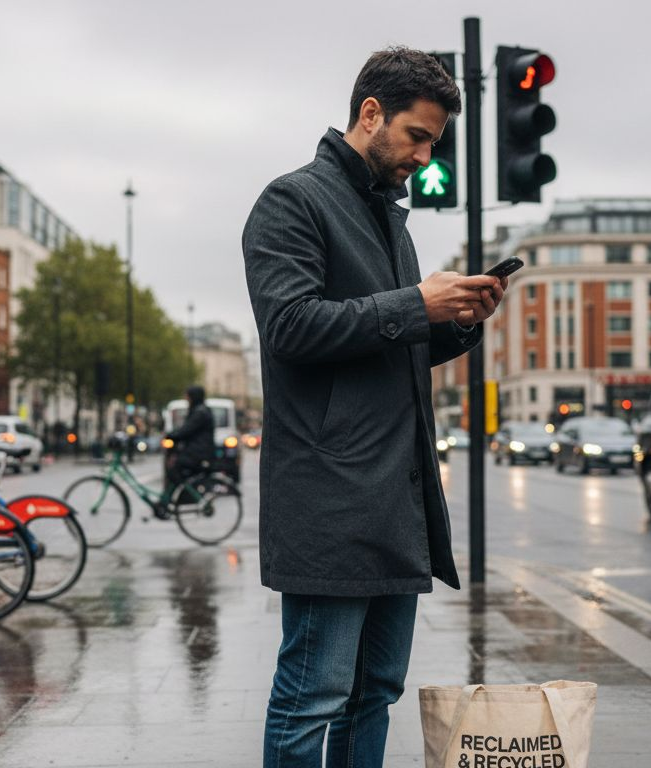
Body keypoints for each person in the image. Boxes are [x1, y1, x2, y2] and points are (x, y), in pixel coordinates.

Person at [242, 47, 507, 767]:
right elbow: (291, 328)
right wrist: (414, 303)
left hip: (396, 497)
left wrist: (458, 319)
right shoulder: (292, 201)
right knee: (312, 697)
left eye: (433, 143)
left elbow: (393, 345)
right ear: (370, 114)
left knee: (375, 693)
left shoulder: (392, 221)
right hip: (331, 501)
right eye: (418, 136)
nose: (425, 155)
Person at [164, 385, 216, 498]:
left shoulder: (200, 412)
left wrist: (170, 436)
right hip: (198, 451)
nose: (185, 398)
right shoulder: (201, 410)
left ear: (193, 397)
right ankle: (177, 495)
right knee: (176, 468)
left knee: (173, 469)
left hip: (198, 453)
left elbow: (186, 430)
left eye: (187, 396)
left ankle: (186, 494)